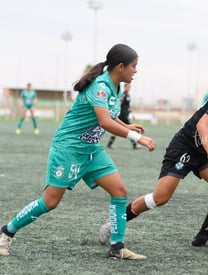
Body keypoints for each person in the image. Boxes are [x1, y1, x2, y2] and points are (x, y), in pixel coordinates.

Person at [0, 44, 157, 260]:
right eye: (133, 66)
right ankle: (6, 232)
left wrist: (125, 125)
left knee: (119, 191)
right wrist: (137, 138)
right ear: (120, 67)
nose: (136, 71)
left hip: (91, 150)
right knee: (50, 202)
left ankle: (117, 247)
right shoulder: (100, 86)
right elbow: (104, 121)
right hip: (68, 148)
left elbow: (108, 115)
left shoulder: (115, 87)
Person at [98, 69, 208, 247]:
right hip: (184, 147)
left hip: (203, 151)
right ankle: (114, 223)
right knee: (160, 198)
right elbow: (202, 124)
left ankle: (203, 237)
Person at [107, 82, 141, 149]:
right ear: (125, 87)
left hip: (125, 115)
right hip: (122, 115)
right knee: (131, 129)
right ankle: (134, 145)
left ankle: (109, 144)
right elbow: (119, 103)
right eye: (128, 87)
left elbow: (127, 106)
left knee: (116, 130)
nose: (129, 88)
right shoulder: (123, 95)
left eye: (130, 87)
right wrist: (115, 110)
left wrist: (132, 113)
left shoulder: (128, 95)